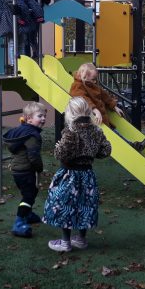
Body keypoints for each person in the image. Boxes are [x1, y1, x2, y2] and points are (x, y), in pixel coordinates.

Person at [43, 96, 112, 252]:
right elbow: (106, 150)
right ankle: (81, 239)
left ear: (70, 113)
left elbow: (60, 154)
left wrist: (58, 146)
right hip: (87, 175)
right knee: (85, 205)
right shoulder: (96, 130)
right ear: (88, 112)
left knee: (65, 204)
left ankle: (65, 242)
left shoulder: (71, 131)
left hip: (69, 174)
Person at [69, 62, 145, 151]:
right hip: (94, 122)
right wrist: (95, 110)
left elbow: (104, 95)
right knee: (114, 136)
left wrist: (114, 106)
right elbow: (82, 99)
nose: (95, 81)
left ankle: (133, 145)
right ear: (84, 76)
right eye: (93, 79)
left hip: (102, 120)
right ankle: (133, 146)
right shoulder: (77, 86)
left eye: (96, 79)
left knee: (115, 133)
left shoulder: (91, 84)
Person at [3, 102, 47, 238]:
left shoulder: (21, 130)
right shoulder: (32, 135)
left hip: (18, 170)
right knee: (28, 195)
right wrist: (40, 168)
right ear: (29, 118)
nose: (43, 119)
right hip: (26, 170)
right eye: (40, 116)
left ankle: (28, 213)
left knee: (30, 192)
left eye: (44, 116)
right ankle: (19, 222)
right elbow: (33, 155)